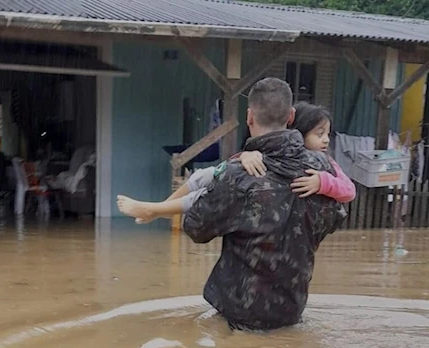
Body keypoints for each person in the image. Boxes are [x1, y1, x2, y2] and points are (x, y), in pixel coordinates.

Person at [182, 77, 346, 331]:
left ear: (249, 117)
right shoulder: (322, 168)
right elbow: (336, 217)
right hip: (293, 309)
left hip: (239, 313)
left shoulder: (238, 175)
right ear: (291, 116)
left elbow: (195, 228)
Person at [116, 102, 355, 223]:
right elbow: (235, 166)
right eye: (319, 134)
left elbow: (349, 191)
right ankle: (161, 209)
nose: (325, 140)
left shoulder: (324, 165)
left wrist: (322, 182)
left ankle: (155, 210)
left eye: (327, 135)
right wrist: (245, 156)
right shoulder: (271, 151)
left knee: (210, 192)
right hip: (266, 207)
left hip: (274, 212)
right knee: (206, 175)